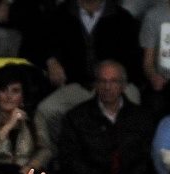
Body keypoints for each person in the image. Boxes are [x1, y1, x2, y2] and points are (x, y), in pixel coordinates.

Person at [57, 59, 154, 174]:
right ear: (95, 84)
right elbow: (69, 158)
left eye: (113, 81)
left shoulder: (141, 117)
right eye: (102, 81)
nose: (107, 87)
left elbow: (146, 157)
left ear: (123, 85)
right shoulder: (76, 116)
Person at [36, 0, 142, 146]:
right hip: (78, 85)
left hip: (114, 83)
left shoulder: (122, 17)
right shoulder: (61, 14)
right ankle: (65, 152)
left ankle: (119, 153)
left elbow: (133, 60)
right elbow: (42, 44)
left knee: (133, 103)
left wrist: (114, 77)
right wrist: (51, 61)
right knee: (46, 111)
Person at [0, 64, 52, 173]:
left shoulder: (33, 117)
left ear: (23, 96)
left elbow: (46, 150)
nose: (8, 96)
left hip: (27, 173)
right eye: (3, 90)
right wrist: (7, 126)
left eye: (15, 91)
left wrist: (29, 169)